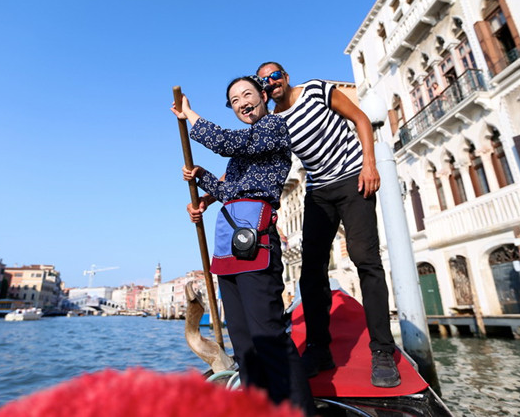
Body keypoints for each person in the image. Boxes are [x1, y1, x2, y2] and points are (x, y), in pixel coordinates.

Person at [172, 76, 316, 416]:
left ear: (263, 96)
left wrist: (190, 115)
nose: (242, 103)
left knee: (268, 335)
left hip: (257, 239)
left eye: (247, 94)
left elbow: (226, 142)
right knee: (243, 342)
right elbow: (230, 191)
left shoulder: (273, 128)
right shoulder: (243, 153)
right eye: (235, 100)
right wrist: (201, 177)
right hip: (229, 242)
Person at [255, 62, 401, 389]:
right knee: (311, 271)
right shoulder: (274, 122)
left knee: (366, 260)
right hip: (318, 191)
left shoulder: (316, 90)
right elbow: (253, 160)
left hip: (353, 179)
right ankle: (319, 349)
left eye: (274, 76)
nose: (271, 82)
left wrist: (369, 163)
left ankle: (382, 351)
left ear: (285, 77)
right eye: (264, 81)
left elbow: (361, 118)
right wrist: (210, 192)